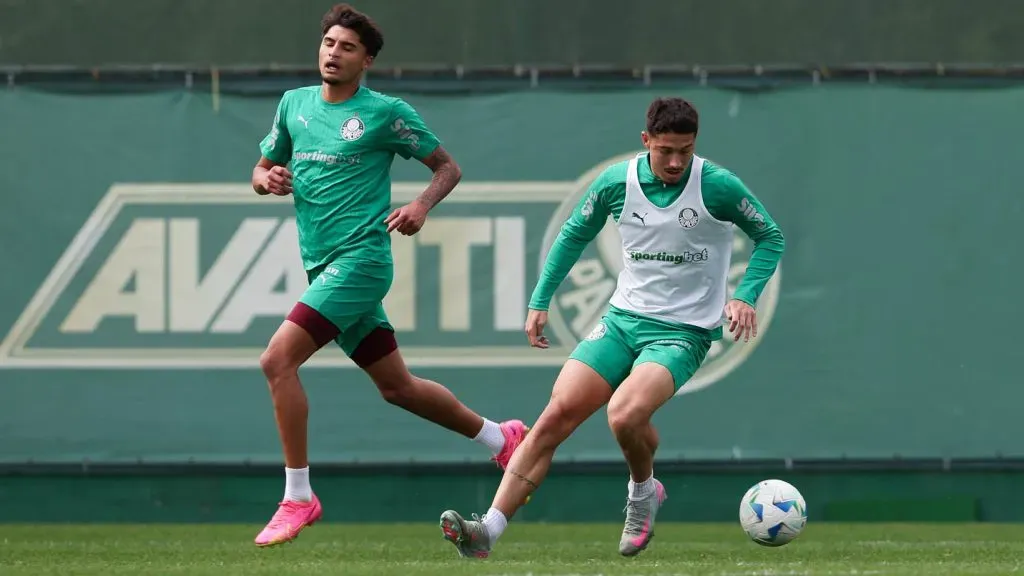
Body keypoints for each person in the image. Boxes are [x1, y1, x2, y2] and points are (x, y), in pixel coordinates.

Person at [438, 97, 786, 558]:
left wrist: (745, 294)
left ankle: (642, 494)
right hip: (622, 322)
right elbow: (573, 234)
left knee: (623, 415)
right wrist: (540, 300)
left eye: (685, 149)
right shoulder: (616, 182)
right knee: (554, 418)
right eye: (666, 150)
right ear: (646, 142)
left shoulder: (716, 185)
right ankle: (487, 532)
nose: (676, 161)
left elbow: (770, 236)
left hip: (681, 333)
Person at [250, 3, 528, 547]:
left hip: (363, 262)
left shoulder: (384, 113)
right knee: (397, 388)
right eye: (329, 43)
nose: (334, 53)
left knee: (276, 360)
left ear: (367, 60)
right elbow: (261, 168)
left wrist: (422, 205)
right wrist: (266, 179)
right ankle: (503, 439)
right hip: (323, 265)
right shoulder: (294, 105)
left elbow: (447, 166)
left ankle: (298, 497)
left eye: (347, 47)